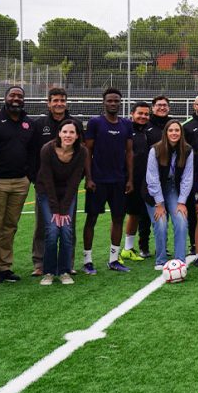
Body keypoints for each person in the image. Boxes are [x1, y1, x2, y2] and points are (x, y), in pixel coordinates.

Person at [0, 85, 35, 284]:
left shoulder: (29, 123)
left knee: (10, 226)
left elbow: (32, 152)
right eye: (12, 95)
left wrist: (28, 176)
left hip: (20, 183)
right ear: (5, 98)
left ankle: (5, 266)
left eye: (20, 96)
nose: (16, 98)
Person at [30, 87, 85, 276]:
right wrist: (35, 178)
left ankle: (67, 263)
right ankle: (40, 263)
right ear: (49, 103)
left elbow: (81, 155)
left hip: (68, 187)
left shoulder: (76, 124)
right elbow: (33, 153)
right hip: (45, 186)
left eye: (62, 100)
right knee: (43, 225)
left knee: (68, 224)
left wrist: (76, 182)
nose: (59, 103)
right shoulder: (40, 124)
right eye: (55, 100)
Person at [83, 88, 134, 274]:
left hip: (119, 180)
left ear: (120, 102)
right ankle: (87, 261)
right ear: (104, 102)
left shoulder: (126, 124)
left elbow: (129, 152)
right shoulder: (95, 123)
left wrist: (130, 178)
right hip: (97, 180)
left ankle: (113, 259)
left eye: (116, 101)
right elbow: (87, 151)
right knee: (92, 219)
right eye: (110, 100)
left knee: (118, 218)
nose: (113, 103)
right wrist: (89, 177)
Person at [36, 119, 87, 286]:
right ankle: (49, 272)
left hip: (67, 193)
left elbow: (74, 182)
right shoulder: (47, 149)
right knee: (52, 230)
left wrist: (64, 210)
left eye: (72, 132)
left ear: (77, 135)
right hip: (47, 192)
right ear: (59, 133)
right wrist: (55, 210)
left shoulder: (82, 152)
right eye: (65, 131)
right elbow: (47, 180)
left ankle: (64, 270)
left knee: (66, 230)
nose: (68, 135)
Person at [146, 120, 194, 270]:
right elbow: (152, 178)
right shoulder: (155, 149)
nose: (174, 133)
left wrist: (181, 202)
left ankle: (180, 260)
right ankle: (161, 260)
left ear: (181, 133)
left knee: (181, 220)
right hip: (154, 191)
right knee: (160, 222)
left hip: (174, 188)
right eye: (171, 130)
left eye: (177, 130)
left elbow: (187, 177)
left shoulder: (187, 150)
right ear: (165, 133)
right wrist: (159, 204)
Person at [123, 101, 159, 261]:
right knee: (125, 215)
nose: (143, 116)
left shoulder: (147, 131)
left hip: (146, 180)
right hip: (128, 180)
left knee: (138, 214)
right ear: (132, 114)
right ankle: (122, 250)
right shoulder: (125, 129)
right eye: (140, 113)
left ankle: (130, 248)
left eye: (146, 114)